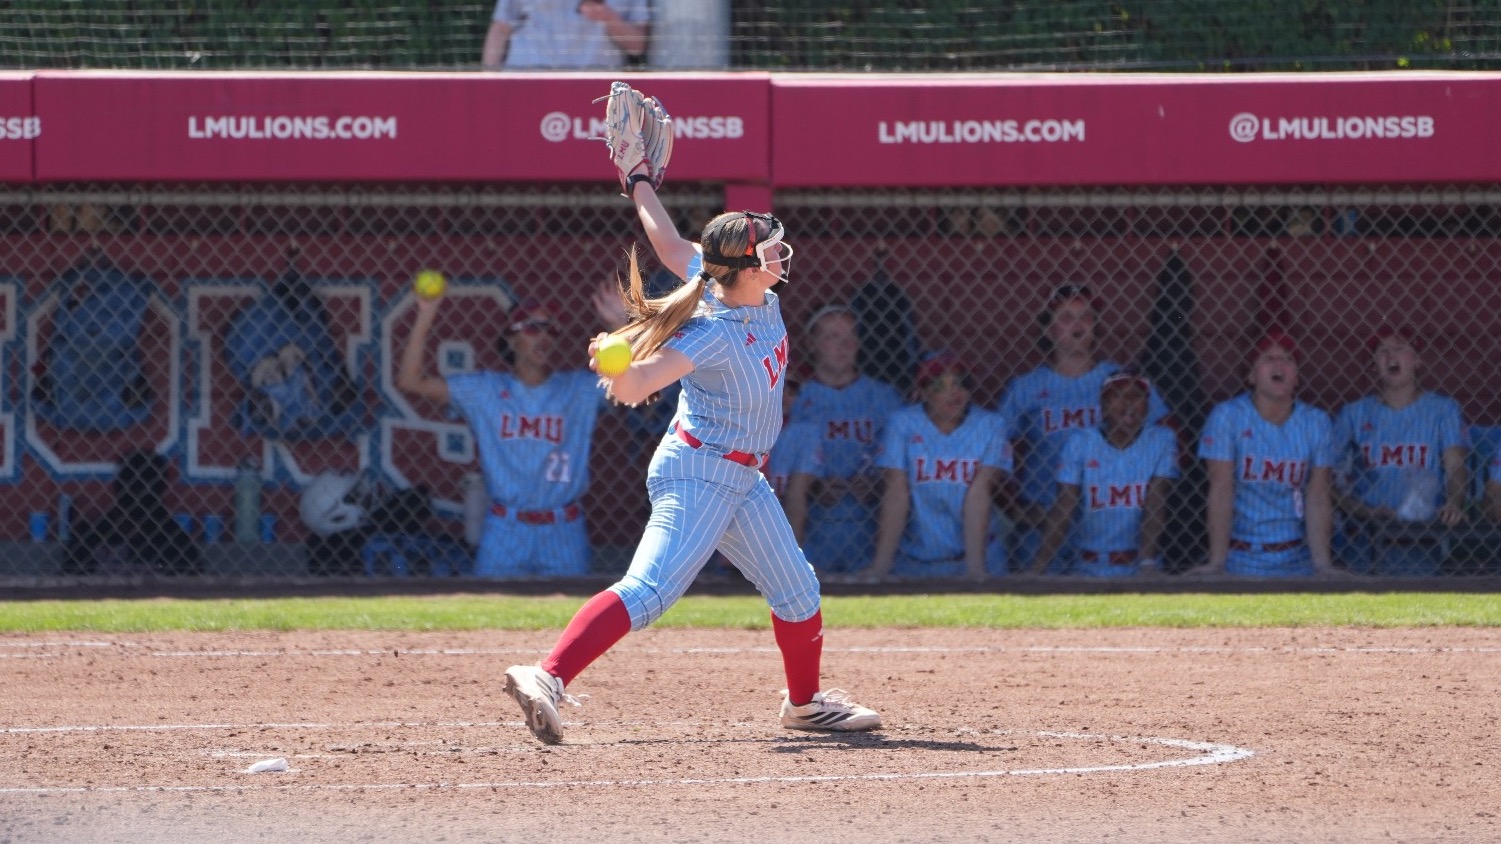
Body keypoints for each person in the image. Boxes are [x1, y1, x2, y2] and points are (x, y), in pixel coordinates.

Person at [500, 165, 880, 744]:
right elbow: (635, 387)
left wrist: (640, 182)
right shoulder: (712, 332)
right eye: (771, 249)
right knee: (650, 590)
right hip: (698, 473)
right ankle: (546, 675)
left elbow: (671, 242)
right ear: (748, 267)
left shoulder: (734, 282)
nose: (781, 255)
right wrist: (616, 365)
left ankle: (804, 705)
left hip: (743, 479)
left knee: (798, 591)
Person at [396, 294, 622, 578]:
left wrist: (618, 326)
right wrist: (426, 312)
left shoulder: (577, 389)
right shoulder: (485, 391)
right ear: (511, 339)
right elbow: (410, 381)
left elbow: (632, 383)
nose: (543, 337)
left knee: (571, 616)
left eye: (549, 329)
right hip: (505, 524)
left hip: (563, 524)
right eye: (532, 328)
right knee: (489, 611)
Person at [997, 284, 1171, 572]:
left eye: (1086, 316)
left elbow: (1166, 435)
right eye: (1066, 317)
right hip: (1044, 516)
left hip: (1109, 521)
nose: (1078, 324)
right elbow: (993, 453)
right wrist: (1015, 507)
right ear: (1048, 330)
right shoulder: (1027, 387)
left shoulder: (1120, 381)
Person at [1191, 331, 1340, 578]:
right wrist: (1217, 563)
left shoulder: (1316, 422)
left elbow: (1318, 495)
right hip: (1242, 556)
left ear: (1297, 377)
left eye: (1288, 359)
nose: (1279, 364)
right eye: (1268, 358)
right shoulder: (1228, 416)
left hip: (1297, 557)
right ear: (1251, 376)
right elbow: (1221, 489)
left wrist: (1322, 565)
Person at [1332, 326, 1468, 576]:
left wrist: (1454, 502)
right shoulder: (1354, 413)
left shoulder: (1442, 410)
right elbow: (1327, 481)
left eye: (1399, 348)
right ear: (1374, 365)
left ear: (1417, 361)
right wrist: (1366, 512)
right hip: (1367, 539)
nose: (1390, 355)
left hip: (1423, 540)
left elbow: (1455, 465)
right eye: (1381, 351)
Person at [867, 352, 1014, 580]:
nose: (953, 393)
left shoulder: (990, 425)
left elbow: (979, 494)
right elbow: (896, 492)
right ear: (923, 392)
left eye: (960, 383)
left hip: (979, 556)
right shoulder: (903, 423)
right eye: (940, 385)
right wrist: (880, 569)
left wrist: (975, 570)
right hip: (914, 560)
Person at [783, 305, 905, 575]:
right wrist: (812, 485)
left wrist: (875, 483)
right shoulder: (794, 397)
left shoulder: (885, 397)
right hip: (811, 526)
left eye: (850, 337)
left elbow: (900, 468)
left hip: (869, 526)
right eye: (832, 337)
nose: (844, 345)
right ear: (812, 343)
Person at [1028, 368, 1177, 578]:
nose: (1128, 404)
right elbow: (1065, 506)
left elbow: (1155, 502)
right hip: (1089, 564)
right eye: (1118, 397)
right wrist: (1038, 568)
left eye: (1136, 397)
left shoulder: (1161, 440)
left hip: (1137, 563)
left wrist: (1147, 562)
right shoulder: (1080, 442)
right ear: (1103, 407)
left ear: (1147, 406)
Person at [481, 0, 649, 70]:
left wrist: (609, 18)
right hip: (527, 84)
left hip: (594, 93)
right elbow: (500, 29)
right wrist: (489, 81)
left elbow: (637, 47)